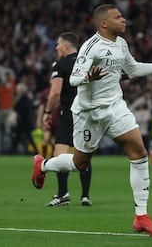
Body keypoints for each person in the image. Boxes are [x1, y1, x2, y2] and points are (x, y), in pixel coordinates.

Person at [31, 3, 152, 237]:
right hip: (89, 114)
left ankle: (141, 217)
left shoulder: (121, 44)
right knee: (79, 164)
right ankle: (43, 165)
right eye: (118, 17)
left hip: (115, 107)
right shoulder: (91, 47)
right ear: (104, 23)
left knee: (139, 152)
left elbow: (133, 69)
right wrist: (88, 76)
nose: (124, 19)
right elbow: (74, 79)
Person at [41, 32, 93, 207]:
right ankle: (85, 196)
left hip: (69, 113)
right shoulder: (87, 61)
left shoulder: (60, 64)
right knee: (84, 154)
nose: (56, 48)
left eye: (58, 44)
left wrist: (47, 112)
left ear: (66, 46)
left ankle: (62, 193)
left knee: (60, 153)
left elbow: (55, 92)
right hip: (88, 113)